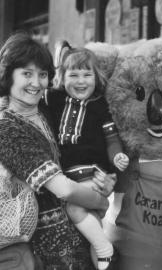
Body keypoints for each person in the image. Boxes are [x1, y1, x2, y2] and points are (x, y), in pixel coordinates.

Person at [0, 32, 116, 270]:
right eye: (27, 74)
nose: (36, 83)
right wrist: (101, 201)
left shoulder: (46, 110)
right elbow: (62, 188)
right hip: (42, 247)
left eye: (42, 74)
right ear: (8, 75)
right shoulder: (7, 126)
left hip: (80, 232)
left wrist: (104, 181)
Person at [42, 40, 129, 270]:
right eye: (73, 75)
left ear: (96, 77)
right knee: (92, 224)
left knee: (75, 208)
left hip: (93, 174)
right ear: (62, 77)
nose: (80, 81)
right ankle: (103, 260)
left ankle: (104, 249)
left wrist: (117, 156)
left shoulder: (101, 106)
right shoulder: (54, 99)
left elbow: (111, 140)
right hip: (68, 175)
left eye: (86, 75)